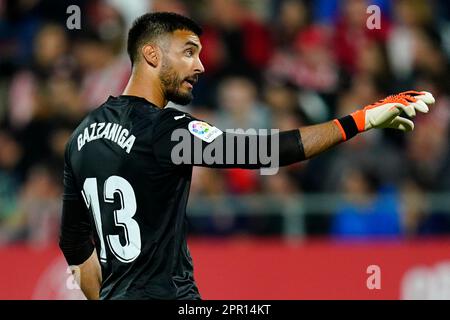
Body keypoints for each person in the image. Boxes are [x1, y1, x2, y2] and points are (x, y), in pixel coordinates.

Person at [58, 12, 435, 300]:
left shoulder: (80, 138)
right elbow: (264, 151)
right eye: (188, 52)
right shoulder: (166, 129)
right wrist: (361, 119)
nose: (200, 66)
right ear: (151, 54)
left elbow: (74, 246)